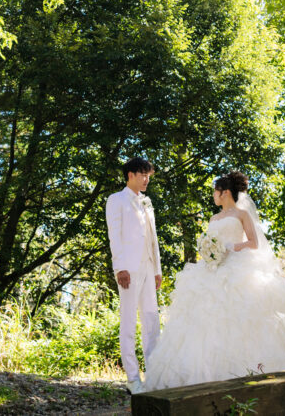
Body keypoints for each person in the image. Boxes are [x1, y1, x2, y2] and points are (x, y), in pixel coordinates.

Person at [142, 171, 285, 391]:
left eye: (215, 192)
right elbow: (209, 242)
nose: (213, 196)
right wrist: (210, 252)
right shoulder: (213, 219)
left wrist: (232, 247)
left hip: (237, 266)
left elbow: (254, 243)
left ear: (225, 192)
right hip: (212, 270)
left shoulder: (242, 214)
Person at [105, 157, 162, 394]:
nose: (146, 179)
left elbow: (153, 237)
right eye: (142, 175)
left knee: (151, 321)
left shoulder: (147, 202)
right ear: (130, 175)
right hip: (128, 269)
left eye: (148, 175)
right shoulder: (116, 200)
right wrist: (119, 268)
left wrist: (157, 269)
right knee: (128, 322)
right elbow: (114, 235)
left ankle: (154, 375)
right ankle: (132, 378)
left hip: (148, 268)